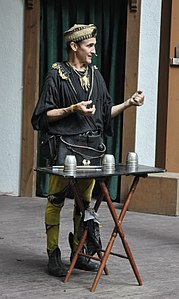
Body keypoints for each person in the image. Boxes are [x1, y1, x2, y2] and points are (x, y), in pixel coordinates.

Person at [31, 24, 144, 277]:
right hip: (64, 151)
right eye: (89, 45)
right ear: (74, 46)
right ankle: (53, 255)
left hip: (92, 150)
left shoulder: (95, 75)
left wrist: (128, 103)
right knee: (55, 201)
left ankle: (77, 254)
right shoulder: (56, 75)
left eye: (94, 45)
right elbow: (43, 115)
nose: (94, 50)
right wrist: (73, 109)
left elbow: (104, 115)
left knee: (84, 205)